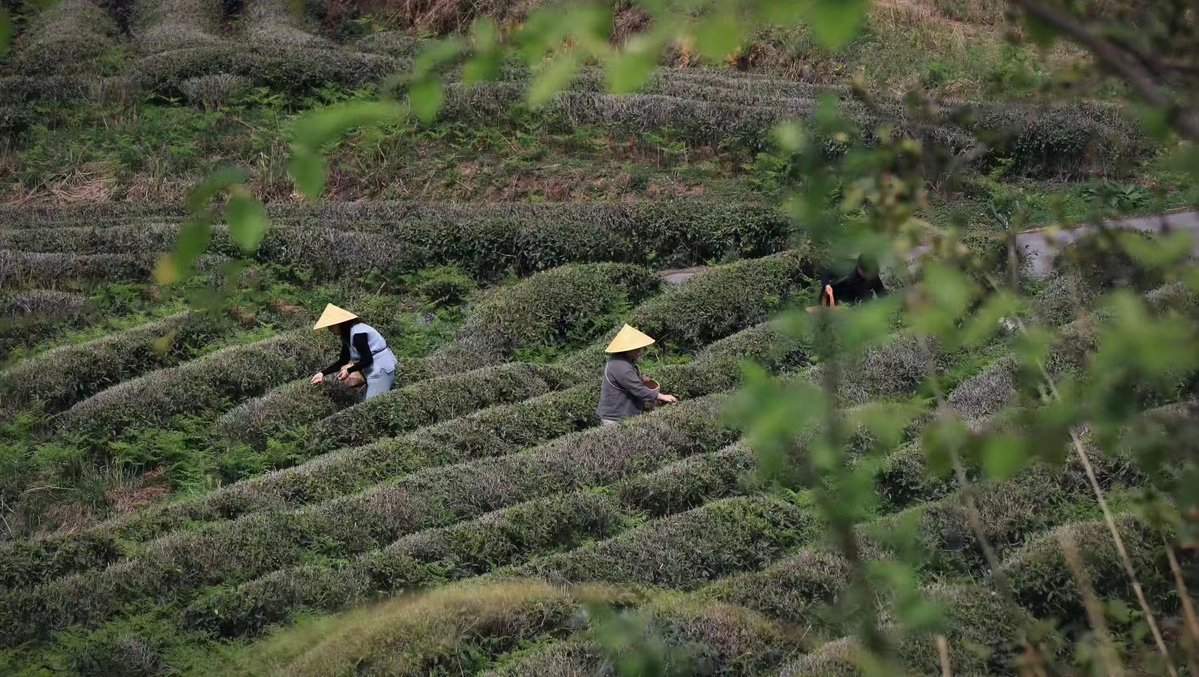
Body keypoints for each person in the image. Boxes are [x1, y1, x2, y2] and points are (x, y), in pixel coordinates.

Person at [310, 303, 398, 401]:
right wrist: (322, 373)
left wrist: (348, 371)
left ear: (340, 324)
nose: (329, 330)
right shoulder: (348, 336)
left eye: (331, 327)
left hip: (381, 370)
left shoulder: (358, 334)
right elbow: (343, 360)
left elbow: (367, 359)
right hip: (372, 372)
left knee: (372, 403)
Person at [596, 324, 678, 425]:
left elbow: (624, 380)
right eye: (637, 348)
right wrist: (661, 396)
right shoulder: (621, 365)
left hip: (622, 414)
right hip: (616, 418)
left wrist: (639, 378)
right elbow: (638, 389)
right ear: (628, 349)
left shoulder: (622, 360)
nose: (640, 351)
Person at [816, 254, 889, 308]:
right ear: (860, 269)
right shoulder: (846, 267)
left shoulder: (872, 276)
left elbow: (882, 295)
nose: (870, 276)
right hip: (836, 294)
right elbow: (827, 274)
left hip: (856, 301)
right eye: (868, 274)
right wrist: (827, 285)